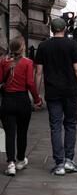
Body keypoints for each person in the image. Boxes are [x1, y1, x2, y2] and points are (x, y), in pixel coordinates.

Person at [35, 17, 77, 176]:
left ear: (51, 29)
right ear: (65, 29)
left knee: (55, 126)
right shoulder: (71, 44)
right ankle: (69, 161)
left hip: (53, 92)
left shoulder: (43, 46)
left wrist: (37, 94)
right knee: (70, 124)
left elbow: (38, 72)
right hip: (71, 91)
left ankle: (59, 164)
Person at [0, 36, 42, 176]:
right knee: (22, 132)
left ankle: (10, 163)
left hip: (7, 101)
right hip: (22, 101)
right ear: (22, 48)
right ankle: (21, 160)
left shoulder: (3, 62)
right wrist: (37, 99)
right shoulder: (28, 63)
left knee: (10, 133)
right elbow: (30, 83)